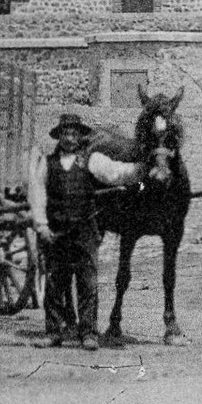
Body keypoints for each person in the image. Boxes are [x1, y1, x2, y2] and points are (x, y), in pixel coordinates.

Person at [26, 113, 146, 352]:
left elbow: (118, 173)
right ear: (59, 137)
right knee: (55, 283)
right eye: (65, 133)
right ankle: (53, 332)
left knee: (88, 283)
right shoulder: (46, 164)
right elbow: (37, 195)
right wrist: (41, 226)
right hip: (57, 231)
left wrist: (145, 167)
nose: (69, 138)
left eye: (74, 133)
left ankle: (88, 333)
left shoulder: (93, 160)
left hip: (85, 231)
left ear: (81, 136)